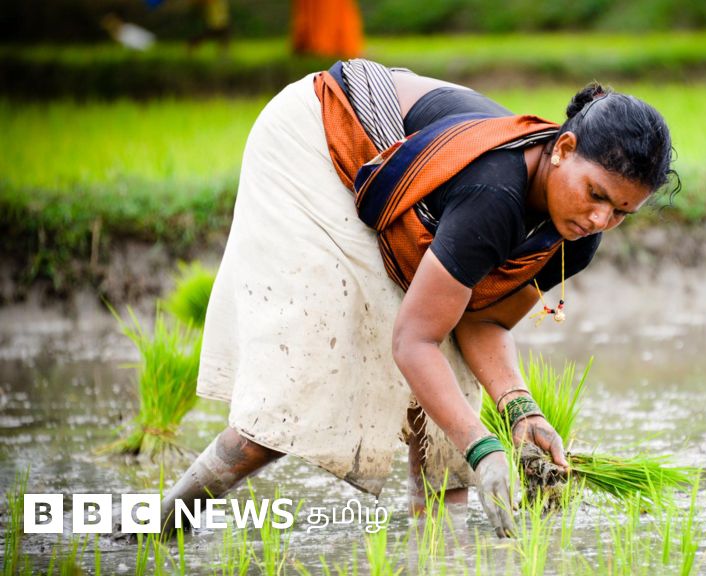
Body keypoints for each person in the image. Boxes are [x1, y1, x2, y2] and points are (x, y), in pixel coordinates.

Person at [157, 59, 676, 538]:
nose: (600, 219)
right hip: (321, 138)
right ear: (562, 149)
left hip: (408, 188)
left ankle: (439, 550)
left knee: (453, 388)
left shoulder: (575, 237)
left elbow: (484, 321)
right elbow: (413, 340)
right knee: (308, 376)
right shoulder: (494, 193)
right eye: (596, 194)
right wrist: (483, 448)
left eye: (621, 212)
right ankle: (157, 524)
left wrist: (523, 414)